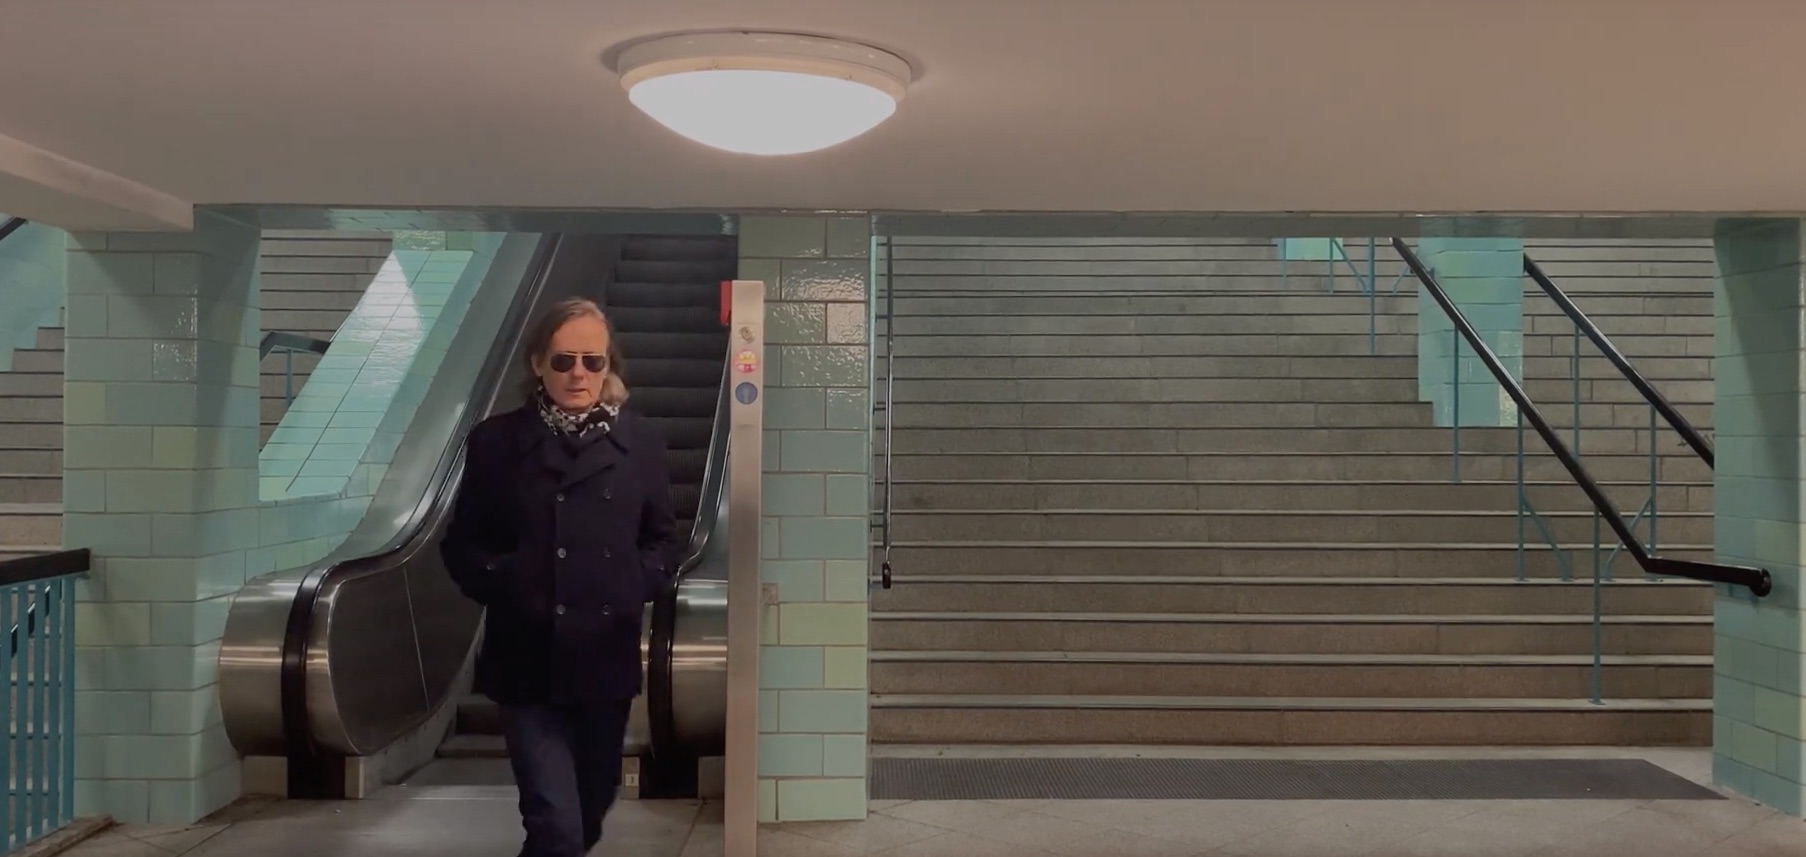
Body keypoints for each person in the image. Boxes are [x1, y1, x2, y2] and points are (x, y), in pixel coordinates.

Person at [441, 297, 680, 857]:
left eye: (593, 362)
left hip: (605, 659)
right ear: (537, 364)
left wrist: (633, 583)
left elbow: (663, 540)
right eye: (564, 360)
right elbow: (462, 544)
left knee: (588, 814)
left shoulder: (640, 444)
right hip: (527, 661)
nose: (579, 374)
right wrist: (509, 582)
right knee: (555, 823)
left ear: (608, 365)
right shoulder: (496, 442)